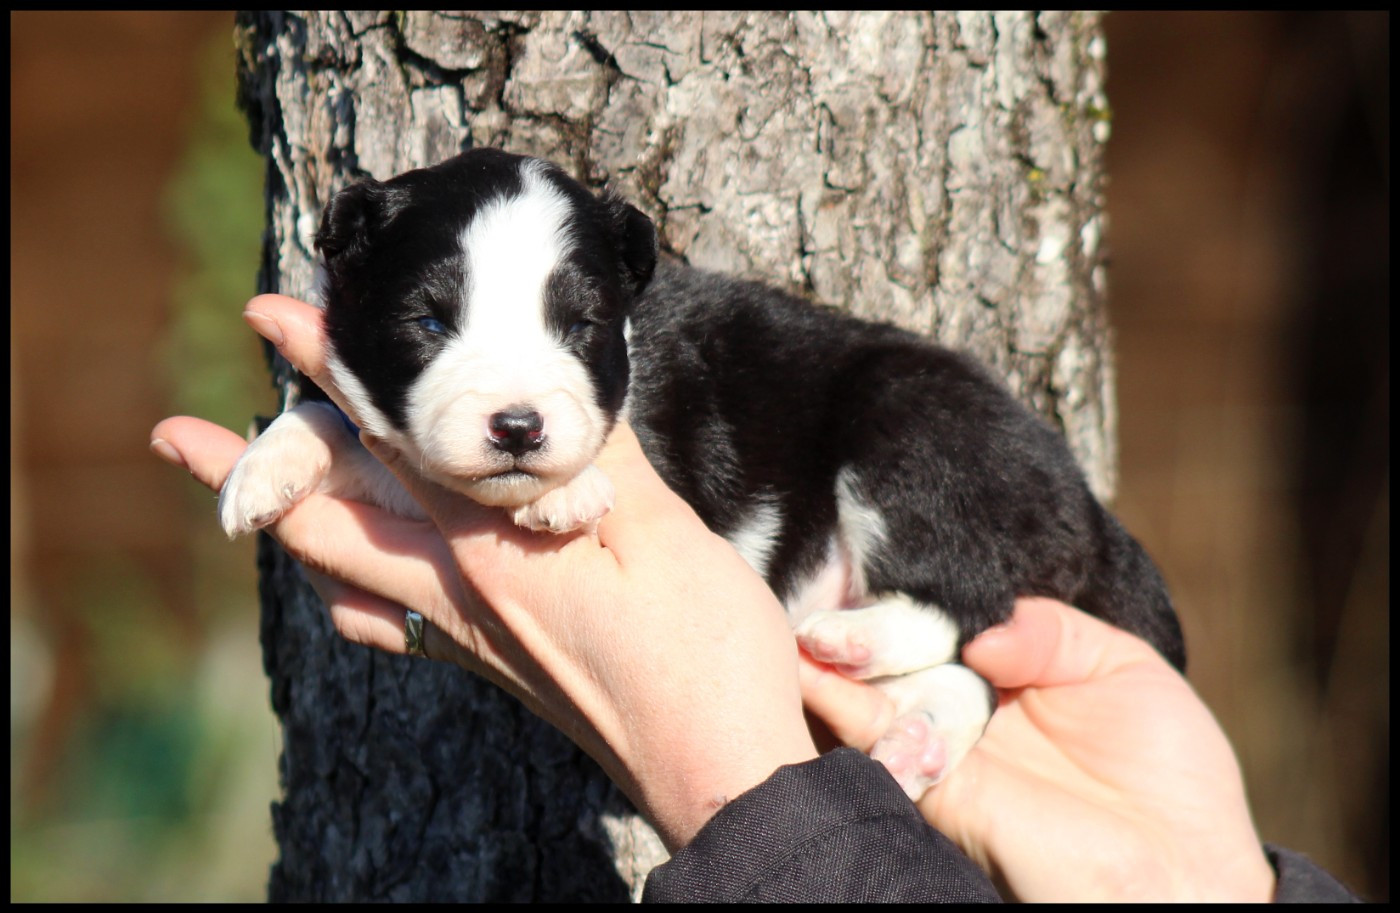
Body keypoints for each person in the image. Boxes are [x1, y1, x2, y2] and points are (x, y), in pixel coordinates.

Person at [150, 294, 1360, 902]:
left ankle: (940, 628)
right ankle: (942, 660)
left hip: (907, 491)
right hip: (1059, 760)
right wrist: (1204, 883)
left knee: (908, 438)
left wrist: (727, 777)